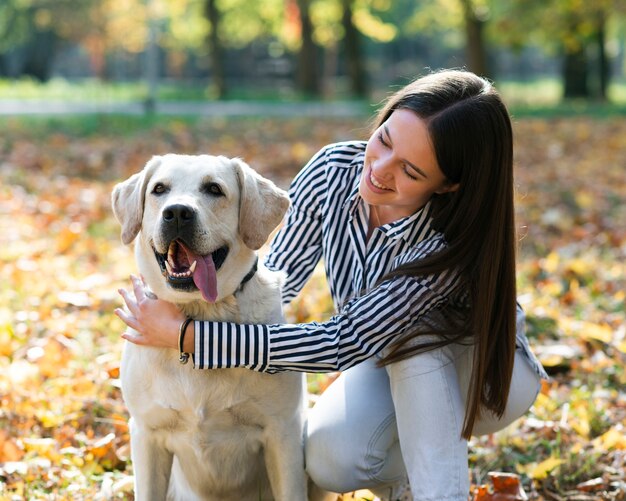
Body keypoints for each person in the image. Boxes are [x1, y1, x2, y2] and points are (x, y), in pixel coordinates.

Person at [116, 69, 548, 501]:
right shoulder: (334, 172)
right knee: (329, 460)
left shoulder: (446, 243)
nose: (379, 170)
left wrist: (189, 336)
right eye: (385, 141)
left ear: (449, 184)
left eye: (410, 171)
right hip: (382, 358)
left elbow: (343, 342)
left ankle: (438, 491)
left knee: (420, 341)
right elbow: (272, 280)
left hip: (486, 378)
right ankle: (404, 475)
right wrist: (197, 303)